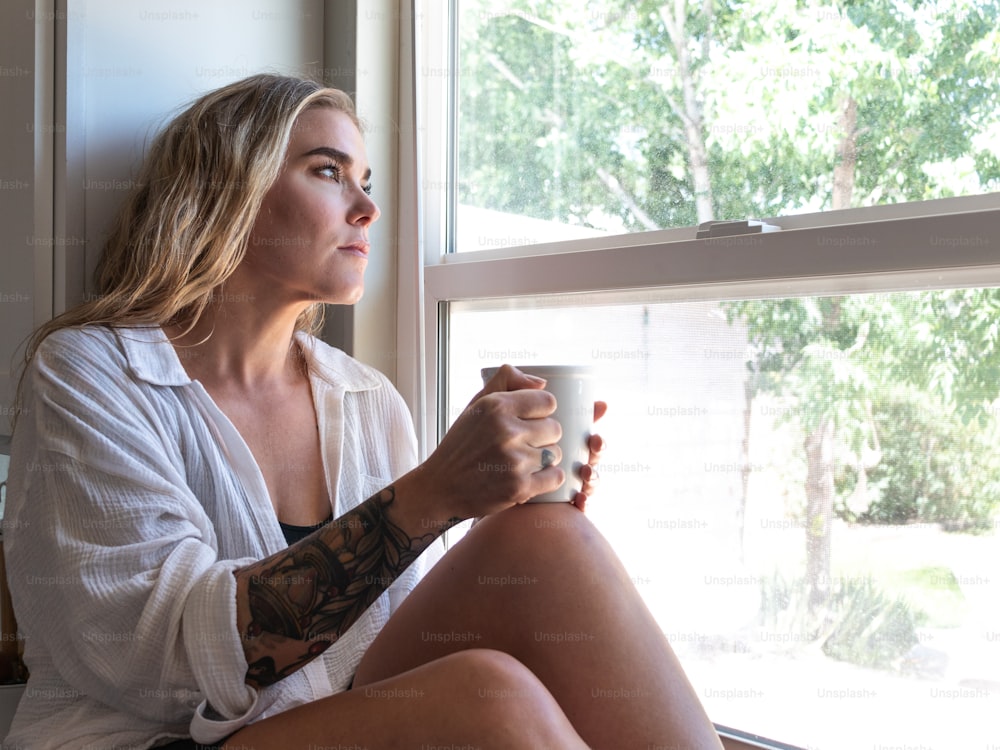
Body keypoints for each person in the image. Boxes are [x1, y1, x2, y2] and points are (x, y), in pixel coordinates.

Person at [3, 74, 723, 749]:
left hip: (322, 715)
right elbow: (169, 667)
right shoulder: (92, 372)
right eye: (327, 171)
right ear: (228, 191)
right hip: (155, 736)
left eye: (366, 182)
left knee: (548, 541)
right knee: (490, 694)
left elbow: (387, 635)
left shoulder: (365, 398)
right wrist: (435, 491)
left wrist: (489, 499)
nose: (368, 208)